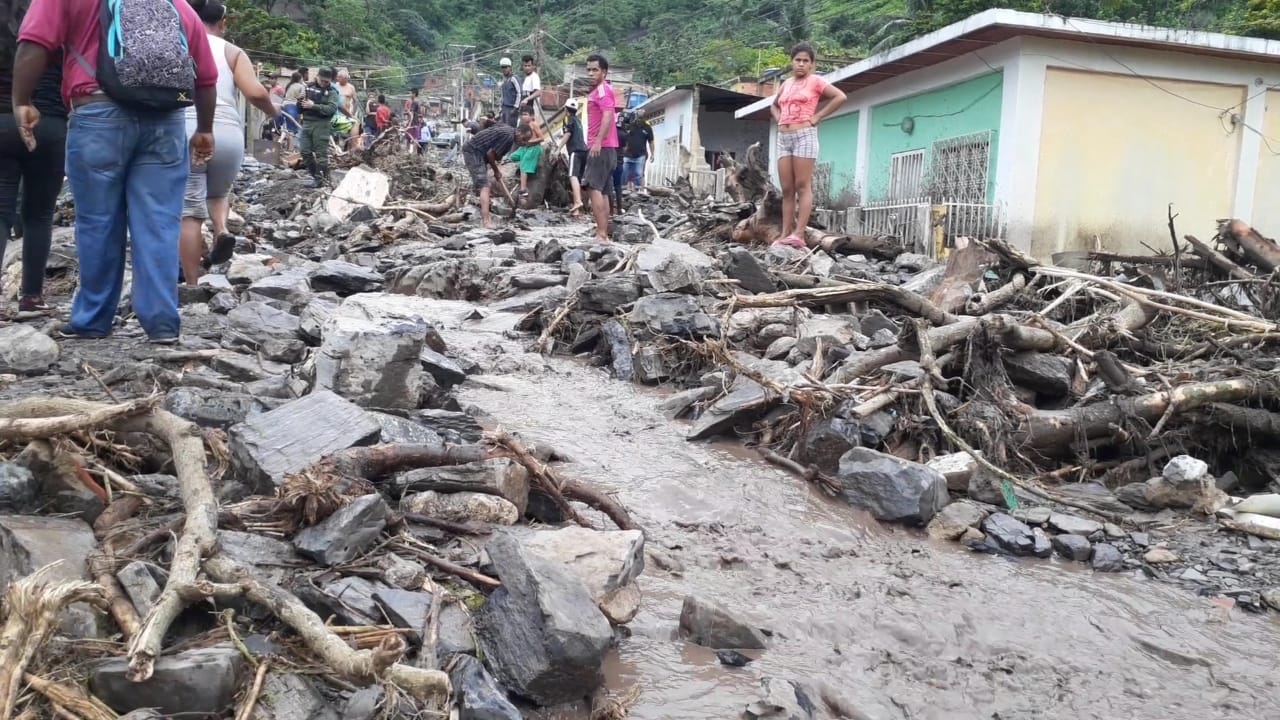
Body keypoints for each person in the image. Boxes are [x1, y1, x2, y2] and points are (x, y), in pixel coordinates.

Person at [14, 0, 218, 343]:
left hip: (97, 113)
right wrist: (205, 128)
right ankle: (162, 322)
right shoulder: (175, 4)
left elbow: (35, 41)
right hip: (166, 121)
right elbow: (206, 76)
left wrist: (22, 100)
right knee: (160, 221)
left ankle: (93, 319)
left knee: (98, 220)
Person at [179, 0, 279, 286]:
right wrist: (274, 111)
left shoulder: (178, 43)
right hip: (228, 132)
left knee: (189, 212)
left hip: (187, 127)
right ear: (223, 23)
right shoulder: (233, 52)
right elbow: (254, 92)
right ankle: (222, 229)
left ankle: (192, 283)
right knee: (219, 193)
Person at [1, 0, 65, 320]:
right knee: (39, 215)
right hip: (50, 123)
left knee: (1, 212)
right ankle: (31, 297)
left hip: (1, 122)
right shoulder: (51, 15)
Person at [771, 41, 847, 249]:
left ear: (812, 64)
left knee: (802, 185)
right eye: (798, 60)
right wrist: (779, 119)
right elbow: (774, 104)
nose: (801, 64)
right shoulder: (786, 84)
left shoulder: (816, 81)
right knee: (787, 188)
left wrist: (818, 116)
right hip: (784, 137)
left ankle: (799, 234)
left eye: (806, 61)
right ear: (792, 62)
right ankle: (785, 232)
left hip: (804, 134)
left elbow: (840, 96)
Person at [462, 122, 530, 229]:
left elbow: (492, 130)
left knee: (484, 183)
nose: (524, 143)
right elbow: (490, 154)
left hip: (478, 152)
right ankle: (486, 222)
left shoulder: (508, 129)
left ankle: (482, 210)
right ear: (519, 132)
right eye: (524, 139)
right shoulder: (508, 137)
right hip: (474, 151)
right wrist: (496, 171)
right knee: (485, 186)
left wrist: (494, 168)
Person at [582, 53, 618, 242]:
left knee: (592, 187)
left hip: (601, 147)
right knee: (603, 190)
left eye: (595, 70)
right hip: (607, 147)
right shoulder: (600, 91)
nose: (590, 73)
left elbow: (607, 116)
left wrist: (597, 141)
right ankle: (603, 231)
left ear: (604, 72)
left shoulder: (603, 91)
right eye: (588, 70)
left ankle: (601, 232)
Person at [298, 67, 340, 188]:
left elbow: (331, 109)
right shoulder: (308, 87)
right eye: (322, 80)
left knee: (321, 154)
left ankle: (320, 180)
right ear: (317, 77)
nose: (324, 83)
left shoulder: (332, 92)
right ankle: (315, 175)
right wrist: (301, 103)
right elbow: (300, 104)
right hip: (307, 122)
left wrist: (314, 106)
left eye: (327, 81)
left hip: (322, 124)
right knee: (305, 151)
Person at [508, 106, 545, 199]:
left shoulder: (534, 124)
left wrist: (529, 142)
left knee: (523, 165)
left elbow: (542, 138)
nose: (523, 116)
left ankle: (523, 189)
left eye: (526, 114)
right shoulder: (523, 125)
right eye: (522, 115)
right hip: (524, 148)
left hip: (534, 148)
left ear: (532, 116)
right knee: (511, 157)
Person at [559, 97, 587, 217]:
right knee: (579, 178)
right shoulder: (578, 120)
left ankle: (578, 201)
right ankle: (577, 210)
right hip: (584, 151)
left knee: (572, 175)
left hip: (575, 151)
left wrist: (558, 148)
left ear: (566, 109)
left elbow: (567, 134)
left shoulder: (568, 118)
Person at [621, 111, 653, 191]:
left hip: (641, 155)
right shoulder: (630, 126)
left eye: (641, 117)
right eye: (638, 117)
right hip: (627, 154)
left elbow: (651, 141)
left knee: (639, 173)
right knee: (625, 172)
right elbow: (624, 138)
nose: (639, 119)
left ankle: (639, 191)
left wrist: (652, 154)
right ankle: (625, 190)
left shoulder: (647, 128)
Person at [281, 70, 304, 148]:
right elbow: (302, 98)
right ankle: (290, 151)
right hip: (293, 107)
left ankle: (285, 148)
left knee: (286, 129)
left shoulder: (289, 85)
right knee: (292, 131)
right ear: (300, 78)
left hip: (284, 106)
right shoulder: (301, 86)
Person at [498, 57, 520, 127]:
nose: (504, 69)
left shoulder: (514, 78)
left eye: (505, 67)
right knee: (504, 128)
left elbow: (519, 93)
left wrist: (515, 108)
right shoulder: (504, 81)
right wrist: (501, 108)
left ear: (510, 68)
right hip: (504, 108)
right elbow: (502, 95)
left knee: (510, 129)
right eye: (502, 67)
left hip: (511, 108)